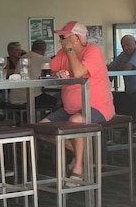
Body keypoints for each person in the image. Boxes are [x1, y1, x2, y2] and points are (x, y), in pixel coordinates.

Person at [42, 21, 114, 185]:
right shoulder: (62, 52)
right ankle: (84, 154)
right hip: (70, 108)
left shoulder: (93, 51)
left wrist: (69, 50)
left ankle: (79, 169)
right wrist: (57, 71)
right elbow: (50, 69)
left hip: (98, 107)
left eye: (64, 37)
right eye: (61, 38)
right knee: (42, 128)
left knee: (75, 121)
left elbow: (80, 72)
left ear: (77, 38)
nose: (61, 40)